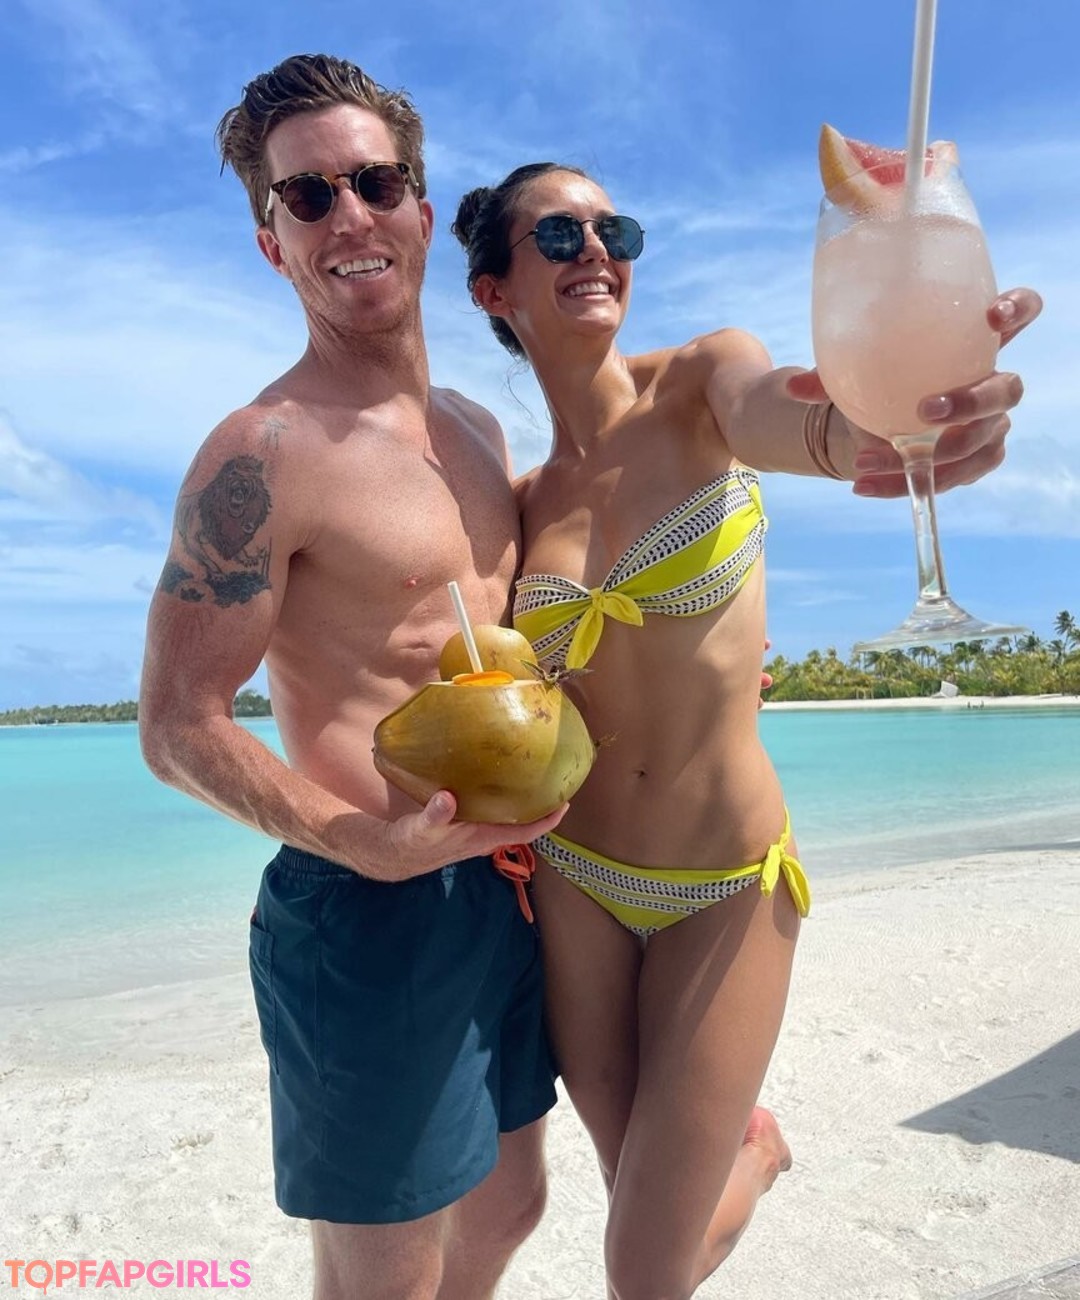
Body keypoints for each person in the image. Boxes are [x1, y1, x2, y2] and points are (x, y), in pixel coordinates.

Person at [451, 163, 1041, 1300]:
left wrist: (904, 409)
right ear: (494, 291)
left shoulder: (703, 379)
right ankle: (746, 1155)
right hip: (577, 886)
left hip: (725, 883)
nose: (596, 249)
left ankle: (759, 1156)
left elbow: (807, 423)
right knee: (637, 1199)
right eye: (559, 235)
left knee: (641, 1269)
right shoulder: (523, 502)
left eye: (616, 229)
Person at [138, 55, 570, 1300]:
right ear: (272, 243)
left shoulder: (478, 429)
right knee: (385, 1272)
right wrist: (360, 843)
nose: (349, 216)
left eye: (374, 183)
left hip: (505, 892)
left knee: (512, 1203)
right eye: (307, 196)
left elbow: (530, 634)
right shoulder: (263, 451)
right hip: (366, 908)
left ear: (422, 213)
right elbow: (176, 724)